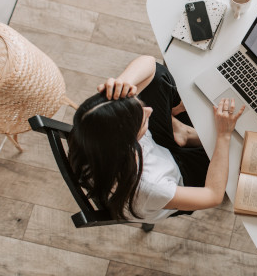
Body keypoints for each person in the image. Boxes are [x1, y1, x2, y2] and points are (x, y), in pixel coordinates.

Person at [68, 55, 245, 223]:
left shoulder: (91, 128)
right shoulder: (151, 187)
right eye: (142, 118)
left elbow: (150, 65)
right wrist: (223, 134)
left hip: (154, 152)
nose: (149, 111)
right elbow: (212, 195)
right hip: (180, 177)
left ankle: (180, 133)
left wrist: (124, 82)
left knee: (159, 77)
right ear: (128, 142)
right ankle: (181, 132)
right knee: (237, 155)